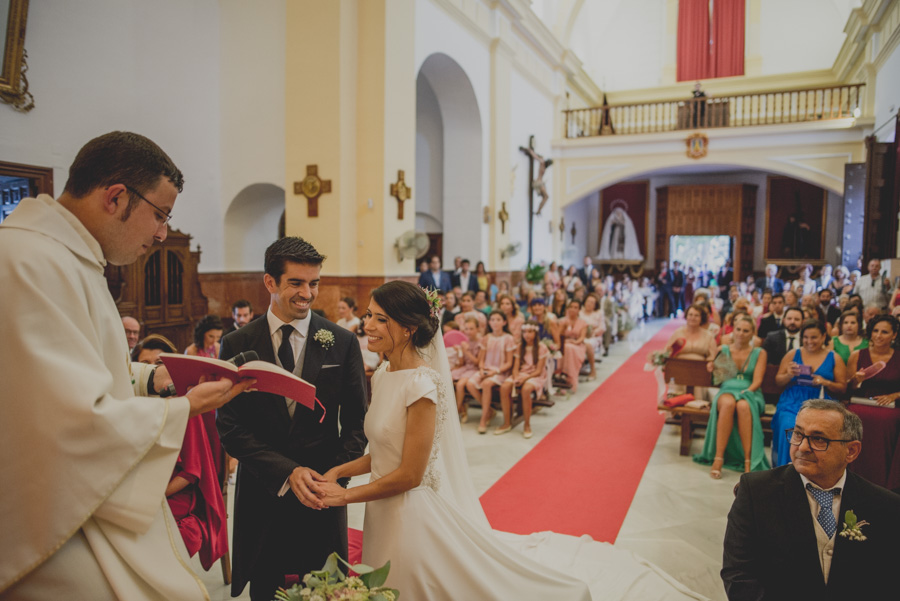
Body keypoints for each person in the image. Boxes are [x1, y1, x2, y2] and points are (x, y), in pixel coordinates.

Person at [308, 281, 705, 600]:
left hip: (409, 514)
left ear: (408, 327)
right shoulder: (382, 375)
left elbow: (410, 473)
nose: (367, 325)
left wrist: (344, 496)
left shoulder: (422, 386)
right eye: (368, 316)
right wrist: (343, 470)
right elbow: (382, 452)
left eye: (379, 319)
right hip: (381, 509)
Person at [0, 131, 252, 600]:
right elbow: (65, 424)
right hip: (50, 516)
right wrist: (182, 409)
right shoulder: (29, 261)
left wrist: (155, 379)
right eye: (159, 214)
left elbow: (86, 369)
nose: (161, 233)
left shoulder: (76, 261)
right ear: (116, 197)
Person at [216, 236, 368, 600]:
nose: (308, 293)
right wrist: (286, 471)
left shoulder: (341, 342)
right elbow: (229, 426)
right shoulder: (237, 343)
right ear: (270, 282)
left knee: (325, 588)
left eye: (314, 283)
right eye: (296, 283)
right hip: (263, 489)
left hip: (321, 490)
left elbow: (357, 423)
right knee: (264, 588)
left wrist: (333, 479)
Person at [723, 400, 900, 599]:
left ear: (851, 451)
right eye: (798, 434)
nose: (803, 447)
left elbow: (890, 580)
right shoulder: (756, 492)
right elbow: (738, 575)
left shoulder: (884, 505)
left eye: (818, 439)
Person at [694, 315, 771, 477]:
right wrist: (712, 366)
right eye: (738, 329)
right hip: (727, 389)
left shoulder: (759, 352)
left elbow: (757, 380)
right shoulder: (723, 349)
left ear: (752, 333)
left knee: (743, 406)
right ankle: (718, 458)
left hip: (750, 391)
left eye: (746, 330)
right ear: (732, 331)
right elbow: (719, 378)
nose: (741, 333)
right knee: (728, 403)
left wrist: (748, 391)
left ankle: (749, 461)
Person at [771, 320, 846, 467]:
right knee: (790, 425)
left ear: (823, 336)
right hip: (792, 400)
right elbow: (778, 381)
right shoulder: (793, 354)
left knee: (820, 429)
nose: (809, 341)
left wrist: (826, 382)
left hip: (822, 401)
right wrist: (788, 375)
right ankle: (785, 469)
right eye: (805, 337)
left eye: (814, 337)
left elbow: (842, 387)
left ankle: (816, 468)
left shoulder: (834, 357)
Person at [846, 314, 900, 490]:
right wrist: (856, 379)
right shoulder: (857, 355)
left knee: (888, 420)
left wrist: (895, 395)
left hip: (889, 406)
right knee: (852, 416)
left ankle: (885, 482)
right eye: (876, 331)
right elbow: (848, 388)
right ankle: (853, 474)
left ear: (894, 335)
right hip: (860, 402)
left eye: (884, 332)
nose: (878, 335)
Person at [466, 311, 516, 434]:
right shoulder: (486, 337)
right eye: (492, 320)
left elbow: (509, 363)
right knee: (470, 384)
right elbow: (481, 360)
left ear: (504, 322)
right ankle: (489, 411)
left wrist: (496, 371)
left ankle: (483, 419)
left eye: (498, 319)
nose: (495, 322)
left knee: (487, 384)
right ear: (489, 322)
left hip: (500, 372)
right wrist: (482, 369)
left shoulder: (508, 338)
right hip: (486, 370)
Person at [497, 322, 549, 438]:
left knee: (526, 389)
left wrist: (525, 378)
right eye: (525, 332)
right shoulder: (520, 347)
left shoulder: (541, 347)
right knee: (505, 387)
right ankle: (507, 422)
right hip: (521, 373)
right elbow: (515, 368)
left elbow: (539, 371)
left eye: (530, 332)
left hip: (535, 375)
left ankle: (527, 424)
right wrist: (515, 378)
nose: (527, 335)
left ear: (535, 333)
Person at [451, 317, 482, 422]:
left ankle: (457, 411)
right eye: (467, 329)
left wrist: (466, 351)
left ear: (478, 329)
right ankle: (462, 409)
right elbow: (463, 362)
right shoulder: (465, 342)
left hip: (475, 369)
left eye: (471, 329)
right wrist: (459, 351)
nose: (468, 331)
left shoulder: (480, 343)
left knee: (460, 385)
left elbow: (478, 362)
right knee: (448, 378)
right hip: (466, 367)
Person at [557, 299, 589, 393]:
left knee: (569, 348)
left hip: (577, 345)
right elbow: (558, 335)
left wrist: (574, 342)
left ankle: (569, 376)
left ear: (579, 310)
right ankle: (562, 375)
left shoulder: (583, 322)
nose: (573, 309)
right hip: (564, 344)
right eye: (571, 307)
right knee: (566, 348)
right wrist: (563, 327)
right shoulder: (562, 321)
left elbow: (582, 337)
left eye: (575, 307)